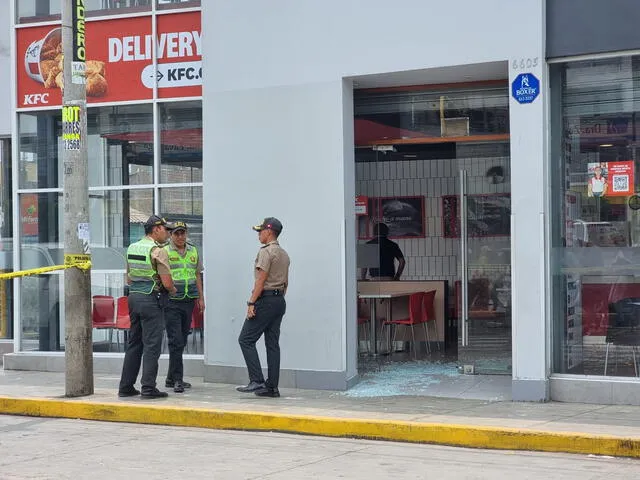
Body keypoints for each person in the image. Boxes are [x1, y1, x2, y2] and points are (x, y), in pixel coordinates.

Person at [118, 215, 177, 399]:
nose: (168, 233)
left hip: (134, 298)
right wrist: (173, 290)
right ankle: (148, 388)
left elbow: (129, 278)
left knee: (134, 343)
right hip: (151, 299)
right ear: (156, 229)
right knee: (152, 345)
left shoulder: (133, 247)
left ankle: (126, 387)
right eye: (165, 229)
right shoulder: (157, 250)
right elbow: (167, 283)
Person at [237, 217, 290, 398]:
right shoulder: (283, 254)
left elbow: (261, 280)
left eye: (260, 231)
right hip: (279, 301)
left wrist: (252, 302)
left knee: (245, 339)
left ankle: (257, 380)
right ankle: (272, 387)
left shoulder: (266, 252)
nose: (259, 234)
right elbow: (286, 283)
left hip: (265, 299)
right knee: (272, 344)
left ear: (269, 232)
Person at [164, 221, 205, 393]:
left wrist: (201, 298)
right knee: (175, 340)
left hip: (188, 300)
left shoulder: (193, 250)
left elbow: (197, 275)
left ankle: (170, 377)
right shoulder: (164, 251)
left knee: (181, 341)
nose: (180, 237)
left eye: (183, 233)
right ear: (171, 235)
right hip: (172, 300)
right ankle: (178, 380)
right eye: (176, 234)